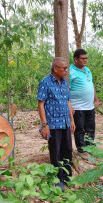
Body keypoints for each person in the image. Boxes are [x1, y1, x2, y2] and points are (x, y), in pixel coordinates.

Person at [37, 57, 75, 190]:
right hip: (53, 123)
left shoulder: (65, 82)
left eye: (67, 68)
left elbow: (68, 101)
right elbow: (41, 104)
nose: (66, 70)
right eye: (64, 68)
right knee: (55, 152)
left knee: (68, 150)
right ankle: (58, 179)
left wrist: (71, 120)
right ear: (55, 69)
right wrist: (44, 125)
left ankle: (67, 177)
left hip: (65, 122)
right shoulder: (45, 82)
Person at [69, 49, 100, 158]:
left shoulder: (87, 70)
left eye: (86, 58)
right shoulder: (70, 72)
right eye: (83, 58)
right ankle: (82, 150)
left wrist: (96, 99)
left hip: (89, 106)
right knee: (79, 129)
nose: (85, 60)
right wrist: (70, 106)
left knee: (90, 128)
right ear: (76, 59)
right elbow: (67, 90)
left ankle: (90, 147)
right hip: (77, 106)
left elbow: (91, 85)